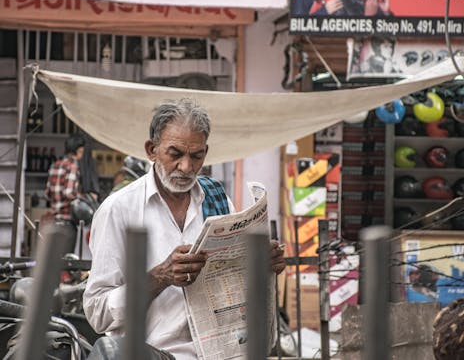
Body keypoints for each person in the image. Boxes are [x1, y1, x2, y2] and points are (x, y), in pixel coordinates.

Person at [83, 98, 286, 359]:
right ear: (151, 150)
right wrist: (159, 278)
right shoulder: (119, 210)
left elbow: (233, 276)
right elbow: (97, 312)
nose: (186, 167)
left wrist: (262, 263)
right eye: (175, 154)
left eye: (196, 156)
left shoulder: (217, 199)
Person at [45, 133, 86, 253]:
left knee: (54, 259)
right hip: (67, 222)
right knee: (67, 262)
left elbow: (47, 193)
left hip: (54, 220)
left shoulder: (55, 165)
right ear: (79, 150)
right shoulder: (72, 166)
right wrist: (82, 197)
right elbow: (69, 193)